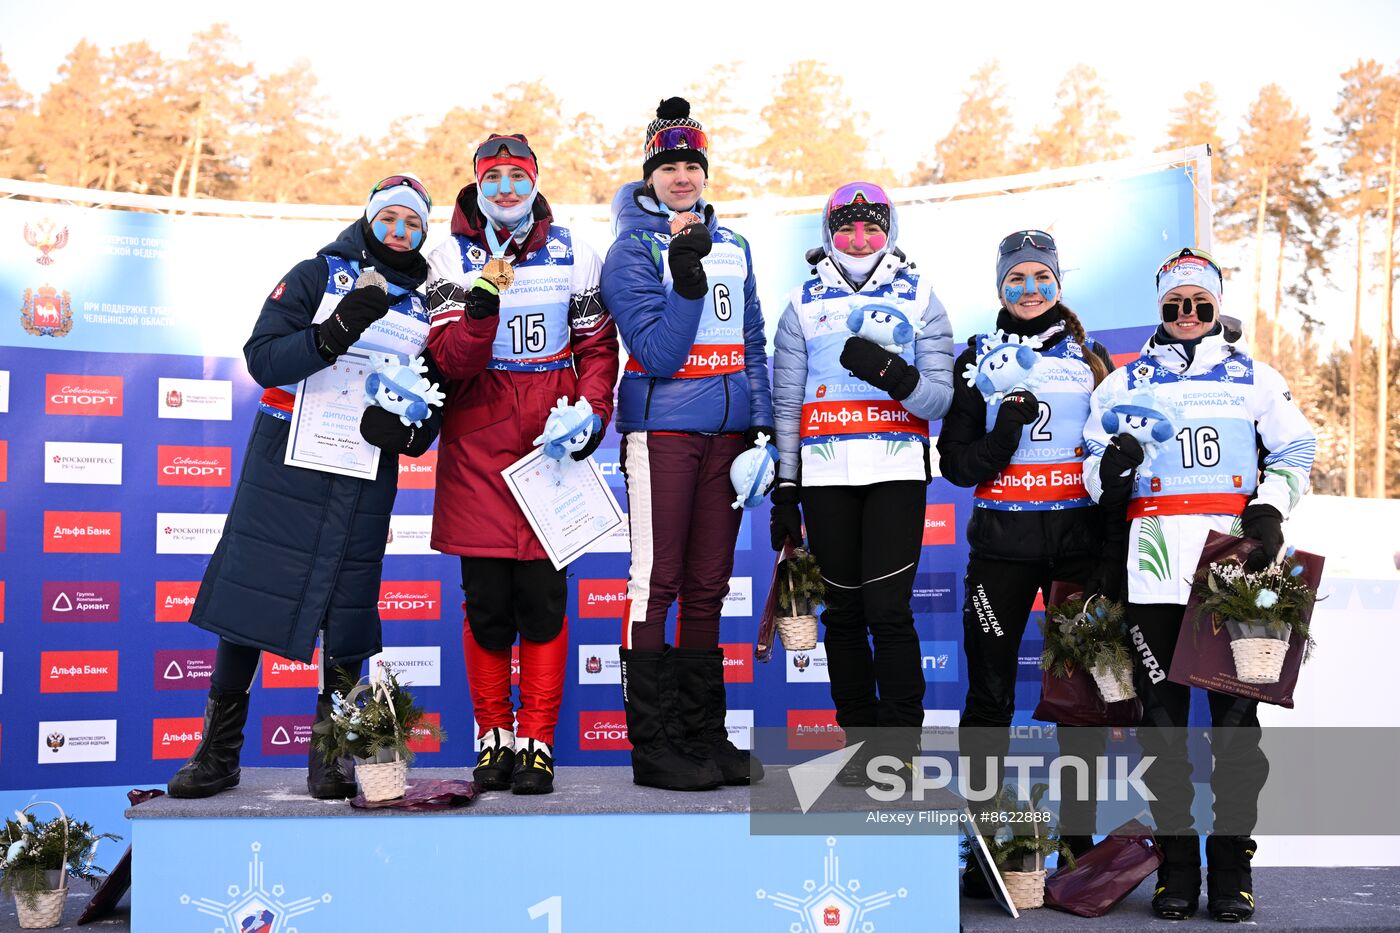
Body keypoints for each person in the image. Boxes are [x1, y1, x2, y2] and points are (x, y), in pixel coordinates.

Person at [169, 175, 441, 799]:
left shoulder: (428, 303)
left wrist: (410, 431)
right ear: (368, 219)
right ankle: (218, 754)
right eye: (389, 218)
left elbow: (433, 397)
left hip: (362, 466)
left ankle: (332, 755)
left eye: (413, 224)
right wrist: (335, 329)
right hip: (287, 459)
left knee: (348, 610)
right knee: (249, 600)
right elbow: (263, 358)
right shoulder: (318, 274)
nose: (399, 232)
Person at [1084, 247, 1315, 922]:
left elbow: (1297, 448)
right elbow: (1092, 461)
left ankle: (1232, 872)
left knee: (1236, 728)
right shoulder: (1125, 381)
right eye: (1174, 305)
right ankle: (1176, 871)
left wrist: (1271, 505)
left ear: (1216, 307)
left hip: (1232, 566)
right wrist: (1113, 472)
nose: (1188, 315)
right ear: (1160, 309)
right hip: (1153, 560)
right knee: (1161, 726)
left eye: (1200, 304)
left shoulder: (1254, 376)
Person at [425, 134, 619, 796]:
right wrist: (478, 311)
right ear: (477, 182)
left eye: (519, 175)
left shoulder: (573, 249)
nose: (507, 187)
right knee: (485, 605)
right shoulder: (447, 252)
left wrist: (592, 414)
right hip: (477, 441)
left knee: (542, 602)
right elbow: (450, 361)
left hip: (548, 444)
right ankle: (494, 738)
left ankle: (537, 740)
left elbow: (596, 345)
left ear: (535, 181)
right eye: (494, 176)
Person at [936, 230, 1118, 890]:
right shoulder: (976, 357)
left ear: (1059, 285)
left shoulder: (1092, 356)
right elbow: (954, 464)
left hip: (1079, 550)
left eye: (1042, 276)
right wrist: (1003, 434)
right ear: (1000, 288)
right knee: (988, 700)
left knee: (1081, 705)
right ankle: (986, 853)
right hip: (1002, 550)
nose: (1031, 289)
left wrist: (1109, 553)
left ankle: (1078, 852)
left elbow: (1115, 453)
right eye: (1017, 278)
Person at [601, 97, 773, 791]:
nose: (681, 177)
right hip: (662, 429)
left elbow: (752, 339)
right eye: (668, 166)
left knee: (709, 586)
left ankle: (704, 734)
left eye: (691, 165)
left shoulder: (734, 242)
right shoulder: (628, 248)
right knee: (657, 583)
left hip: (728, 433)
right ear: (650, 174)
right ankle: (655, 743)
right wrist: (686, 276)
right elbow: (659, 351)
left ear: (705, 172)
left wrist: (760, 424)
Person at [769, 180, 954, 782]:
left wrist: (893, 375)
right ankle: (860, 742)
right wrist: (786, 486)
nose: (858, 238)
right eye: (845, 227)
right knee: (843, 614)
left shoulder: (921, 294)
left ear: (890, 231)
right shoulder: (800, 303)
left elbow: (938, 401)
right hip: (824, 478)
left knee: (888, 611)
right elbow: (788, 401)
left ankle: (899, 748)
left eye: (871, 226)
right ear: (828, 234)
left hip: (896, 471)